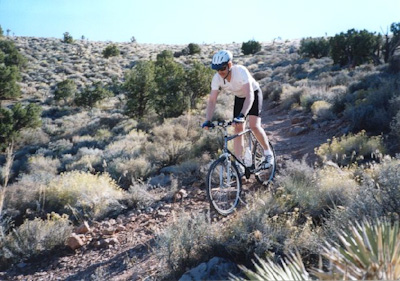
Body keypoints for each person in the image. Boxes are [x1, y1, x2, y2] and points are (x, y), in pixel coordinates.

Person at [202, 49, 274, 169]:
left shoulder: (240, 71)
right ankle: (239, 164)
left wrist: (242, 115)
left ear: (229, 65)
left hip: (253, 94)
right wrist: (207, 120)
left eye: (222, 68)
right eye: (217, 69)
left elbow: (250, 95)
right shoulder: (217, 78)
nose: (220, 72)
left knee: (254, 125)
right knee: (237, 129)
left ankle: (268, 154)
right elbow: (212, 100)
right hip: (240, 97)